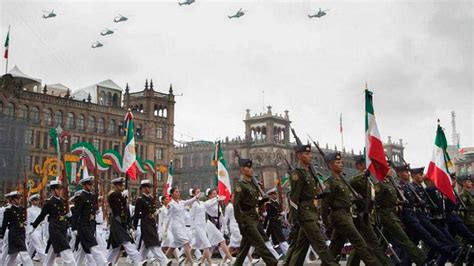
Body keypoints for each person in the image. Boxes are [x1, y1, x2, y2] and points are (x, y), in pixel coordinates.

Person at [286, 144, 337, 266]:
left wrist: (320, 196)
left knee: (301, 247)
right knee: (320, 244)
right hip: (305, 214)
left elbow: (309, 195)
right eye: (307, 154)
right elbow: (293, 199)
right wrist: (294, 218)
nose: (310, 156)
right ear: (299, 156)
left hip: (312, 213)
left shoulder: (310, 172)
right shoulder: (297, 174)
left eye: (310, 154)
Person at [233, 157, 278, 266]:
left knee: (244, 247)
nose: (251, 169)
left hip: (254, 217)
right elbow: (236, 206)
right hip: (246, 218)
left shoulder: (253, 184)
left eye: (251, 167)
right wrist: (241, 223)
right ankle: (272, 262)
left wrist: (263, 200)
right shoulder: (240, 185)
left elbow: (253, 203)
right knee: (260, 243)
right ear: (242, 170)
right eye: (248, 167)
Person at [347, 155, 391, 265]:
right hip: (360, 216)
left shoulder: (369, 180)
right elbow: (351, 181)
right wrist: (363, 174)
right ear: (358, 166)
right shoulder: (359, 178)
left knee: (360, 244)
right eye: (364, 165)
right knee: (373, 243)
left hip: (368, 216)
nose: (368, 168)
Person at [32, 180, 77, 266]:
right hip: (55, 228)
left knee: (52, 250)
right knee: (65, 248)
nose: (60, 191)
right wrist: (34, 226)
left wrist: (70, 216)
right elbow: (42, 215)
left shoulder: (64, 201)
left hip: (63, 227)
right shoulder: (49, 202)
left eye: (61, 189)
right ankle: (72, 264)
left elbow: (67, 215)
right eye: (57, 189)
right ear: (52, 190)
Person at [106, 177, 145, 266]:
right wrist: (121, 195)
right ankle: (138, 260)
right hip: (116, 223)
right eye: (119, 185)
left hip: (122, 223)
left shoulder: (122, 196)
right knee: (126, 242)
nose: (121, 186)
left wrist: (129, 225)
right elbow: (112, 198)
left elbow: (125, 213)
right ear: (115, 186)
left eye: (122, 184)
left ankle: (106, 263)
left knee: (115, 247)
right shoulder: (113, 195)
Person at [132, 180, 170, 265]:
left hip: (152, 223)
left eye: (149, 187)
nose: (149, 189)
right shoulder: (140, 200)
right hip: (145, 223)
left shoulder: (151, 198)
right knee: (153, 242)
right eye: (147, 187)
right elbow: (136, 214)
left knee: (146, 244)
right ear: (143, 189)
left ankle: (138, 261)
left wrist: (155, 212)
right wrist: (134, 227)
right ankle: (163, 261)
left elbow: (153, 210)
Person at [72, 176, 107, 265]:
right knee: (93, 244)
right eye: (89, 184)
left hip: (91, 224)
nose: (91, 186)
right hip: (83, 225)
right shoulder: (80, 197)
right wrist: (74, 228)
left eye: (91, 184)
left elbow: (93, 209)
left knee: (83, 249)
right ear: (84, 185)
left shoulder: (92, 196)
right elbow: (76, 213)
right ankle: (103, 263)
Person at [165, 187, 199, 264]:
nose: (178, 193)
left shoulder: (181, 202)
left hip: (182, 226)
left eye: (178, 192)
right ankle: (191, 263)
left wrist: (195, 197)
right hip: (176, 227)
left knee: (173, 246)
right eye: (176, 192)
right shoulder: (171, 204)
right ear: (172, 194)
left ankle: (163, 261)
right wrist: (165, 230)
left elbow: (188, 201)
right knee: (186, 243)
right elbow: (168, 217)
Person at [0, 191, 34, 266]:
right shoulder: (8, 210)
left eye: (20, 198)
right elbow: (4, 224)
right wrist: (1, 235)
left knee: (12, 255)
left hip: (21, 233)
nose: (19, 200)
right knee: (24, 254)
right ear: (12, 200)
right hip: (14, 234)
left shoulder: (22, 209)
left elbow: (24, 221)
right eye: (17, 198)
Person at [263, 187, 289, 254]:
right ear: (270, 195)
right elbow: (268, 216)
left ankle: (271, 255)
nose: (276, 195)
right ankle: (287, 253)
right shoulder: (269, 204)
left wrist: (281, 214)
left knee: (269, 240)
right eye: (274, 194)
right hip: (273, 224)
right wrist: (264, 226)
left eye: (276, 194)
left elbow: (277, 213)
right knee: (280, 239)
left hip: (277, 223)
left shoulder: (276, 203)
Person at [26, 194, 46, 262]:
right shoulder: (29, 210)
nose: (37, 202)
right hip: (32, 229)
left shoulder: (40, 209)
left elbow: (43, 220)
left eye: (38, 200)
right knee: (39, 246)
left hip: (39, 229)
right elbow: (28, 221)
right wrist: (28, 232)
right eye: (35, 200)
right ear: (32, 201)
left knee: (30, 249)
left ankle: (24, 261)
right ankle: (47, 260)